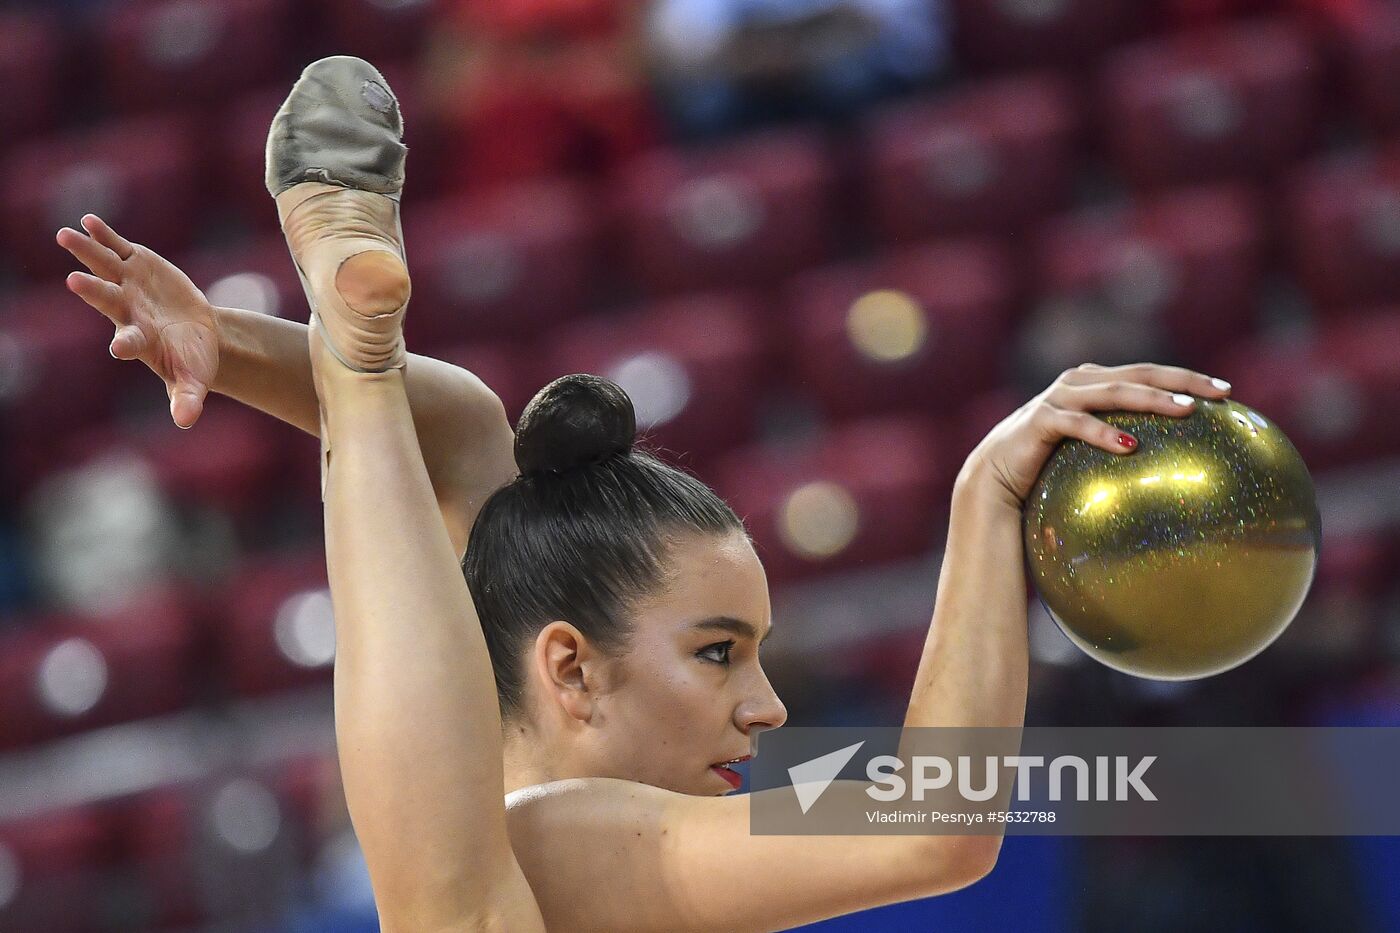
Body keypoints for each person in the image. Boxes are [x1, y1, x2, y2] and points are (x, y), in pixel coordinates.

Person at [55, 56, 1233, 932]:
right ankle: (354, 370)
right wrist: (984, 503)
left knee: (462, 444)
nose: (768, 709)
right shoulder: (594, 839)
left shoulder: (612, 840)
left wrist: (233, 340)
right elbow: (939, 825)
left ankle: (348, 360)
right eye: (719, 653)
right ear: (567, 668)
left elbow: (467, 434)